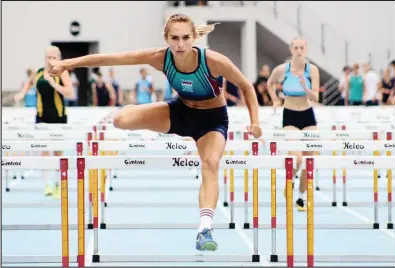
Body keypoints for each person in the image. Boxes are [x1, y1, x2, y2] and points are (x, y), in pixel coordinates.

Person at [48, 13, 262, 252]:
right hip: (180, 112)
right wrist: (67, 64)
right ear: (166, 38)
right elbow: (111, 58)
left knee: (210, 163)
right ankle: (144, 116)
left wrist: (255, 121)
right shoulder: (158, 58)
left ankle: (205, 229)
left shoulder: (212, 61)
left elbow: (245, 85)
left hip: (211, 120)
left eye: (185, 38)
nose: (180, 44)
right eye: (175, 38)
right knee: (120, 119)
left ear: (193, 38)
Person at [267, 36, 320, 212]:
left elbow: (316, 98)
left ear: (306, 50)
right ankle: (290, 180)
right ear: (291, 50)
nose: (298, 51)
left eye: (301, 48)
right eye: (295, 48)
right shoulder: (282, 69)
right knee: (296, 158)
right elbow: (270, 83)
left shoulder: (312, 70)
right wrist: (275, 99)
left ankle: (300, 197)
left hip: (307, 115)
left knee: (308, 160)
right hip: (289, 114)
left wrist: (306, 87)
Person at [14, 46, 74, 198]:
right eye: (48, 57)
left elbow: (70, 93)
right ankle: (47, 184)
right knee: (44, 150)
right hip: (41, 117)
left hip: (58, 117)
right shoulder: (39, 71)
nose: (51, 60)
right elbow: (29, 83)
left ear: (59, 57)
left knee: (58, 152)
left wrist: (52, 83)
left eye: (54, 57)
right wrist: (21, 94)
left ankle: (59, 184)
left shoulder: (63, 71)